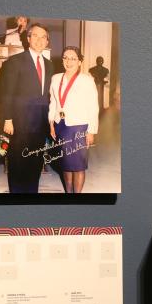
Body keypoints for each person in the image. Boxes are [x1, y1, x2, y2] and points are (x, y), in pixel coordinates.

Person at [0, 23, 55, 193]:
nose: (39, 40)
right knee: (18, 160)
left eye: (43, 37)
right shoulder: (15, 61)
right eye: (35, 35)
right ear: (28, 38)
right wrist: (7, 118)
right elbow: (7, 92)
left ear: (47, 42)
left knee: (36, 160)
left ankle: (31, 192)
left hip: (41, 122)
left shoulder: (49, 64)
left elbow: (49, 95)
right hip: (19, 122)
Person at [48, 46, 99, 193]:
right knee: (65, 163)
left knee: (77, 165)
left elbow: (93, 107)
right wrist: (51, 123)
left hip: (79, 127)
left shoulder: (87, 80)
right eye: (66, 57)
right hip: (60, 126)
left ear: (79, 62)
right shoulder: (56, 78)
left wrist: (91, 131)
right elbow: (53, 103)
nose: (68, 61)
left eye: (73, 58)